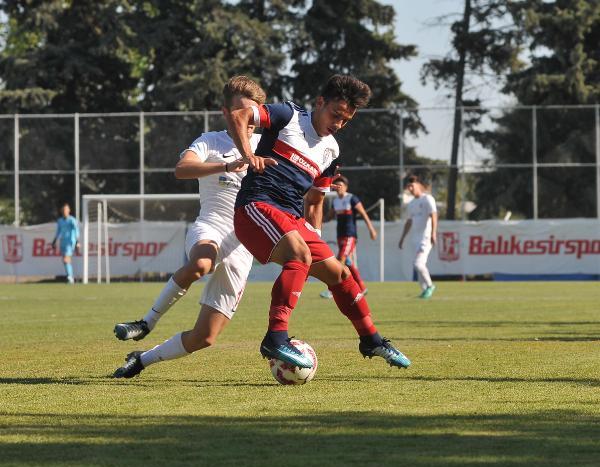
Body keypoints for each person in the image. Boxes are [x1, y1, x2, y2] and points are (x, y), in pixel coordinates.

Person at [227, 74, 410, 369]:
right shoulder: (288, 116)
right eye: (335, 114)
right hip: (255, 207)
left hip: (293, 218)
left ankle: (371, 340)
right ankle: (275, 337)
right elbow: (239, 114)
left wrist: (315, 237)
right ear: (320, 102)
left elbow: (315, 200)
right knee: (300, 254)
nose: (338, 124)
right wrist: (249, 155)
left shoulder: (332, 151)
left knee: (341, 274)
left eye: (346, 120)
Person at [112, 76, 266, 378]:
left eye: (253, 115)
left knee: (205, 337)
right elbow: (182, 169)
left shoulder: (267, 146)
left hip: (242, 248)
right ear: (226, 113)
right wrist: (225, 165)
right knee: (202, 264)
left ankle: (141, 359)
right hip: (211, 226)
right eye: (241, 113)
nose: (248, 121)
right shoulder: (212, 140)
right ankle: (146, 323)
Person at [319, 174, 377, 299]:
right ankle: (362, 288)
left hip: (350, 236)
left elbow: (363, 214)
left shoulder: (352, 198)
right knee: (348, 264)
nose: (339, 188)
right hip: (340, 235)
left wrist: (371, 229)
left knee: (340, 260)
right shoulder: (336, 201)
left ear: (346, 187)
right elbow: (329, 216)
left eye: (341, 185)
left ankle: (332, 290)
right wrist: (318, 219)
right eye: (337, 186)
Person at [398, 171, 438, 299]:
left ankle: (430, 286)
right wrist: (402, 238)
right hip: (415, 239)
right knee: (418, 265)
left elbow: (434, 215)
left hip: (425, 238)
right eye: (409, 187)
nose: (410, 189)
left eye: (412, 186)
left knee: (418, 264)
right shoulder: (411, 204)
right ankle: (424, 290)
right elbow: (409, 221)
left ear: (419, 185)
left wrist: (433, 233)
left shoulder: (427, 199)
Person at [51, 203, 80, 284]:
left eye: (66, 210)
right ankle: (70, 277)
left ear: (69, 210)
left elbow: (76, 230)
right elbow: (58, 231)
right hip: (63, 242)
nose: (64, 211)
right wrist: (54, 241)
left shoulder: (72, 220)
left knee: (66, 259)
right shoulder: (60, 221)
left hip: (70, 242)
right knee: (66, 260)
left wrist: (77, 242)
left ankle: (70, 277)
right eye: (63, 210)